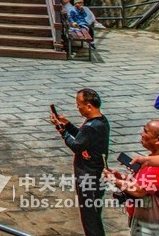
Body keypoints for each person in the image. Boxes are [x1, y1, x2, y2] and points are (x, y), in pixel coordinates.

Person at [103, 120, 159, 236]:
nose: (141, 134)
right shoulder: (157, 160)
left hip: (151, 227)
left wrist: (114, 180)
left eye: (145, 131)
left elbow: (139, 190)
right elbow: (143, 182)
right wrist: (123, 178)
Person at [50, 88, 110, 236]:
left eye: (79, 104)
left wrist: (61, 129)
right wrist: (68, 125)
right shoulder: (99, 122)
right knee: (92, 216)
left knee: (91, 218)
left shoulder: (92, 127)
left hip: (89, 176)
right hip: (93, 175)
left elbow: (76, 146)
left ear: (89, 105)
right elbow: (83, 139)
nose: (78, 107)